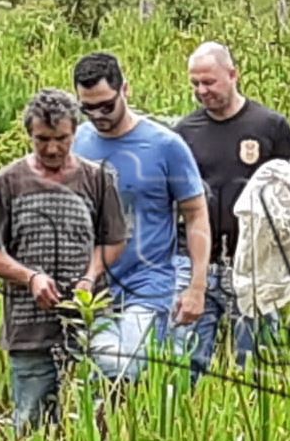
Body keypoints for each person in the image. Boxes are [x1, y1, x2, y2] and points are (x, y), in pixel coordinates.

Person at [0, 88, 128, 435]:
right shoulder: (8, 182)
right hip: (29, 327)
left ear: (75, 132)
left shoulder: (98, 179)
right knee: (31, 424)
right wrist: (30, 278)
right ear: (29, 134)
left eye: (61, 138)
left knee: (106, 405)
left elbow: (114, 241)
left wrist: (90, 276)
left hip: (90, 319)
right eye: (42, 139)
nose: (52, 148)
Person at [71, 51, 211, 385]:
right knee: (98, 378)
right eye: (87, 108)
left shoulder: (166, 146)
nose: (98, 115)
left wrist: (197, 286)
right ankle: (110, 433)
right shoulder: (76, 142)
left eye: (106, 105)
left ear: (125, 91)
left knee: (126, 367)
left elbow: (195, 215)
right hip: (94, 285)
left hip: (148, 282)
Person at [173, 41, 290, 383]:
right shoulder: (184, 133)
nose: (202, 91)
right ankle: (186, 425)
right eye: (195, 84)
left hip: (254, 264)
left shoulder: (270, 126)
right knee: (186, 363)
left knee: (256, 366)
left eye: (209, 82)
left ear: (232, 75)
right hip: (196, 265)